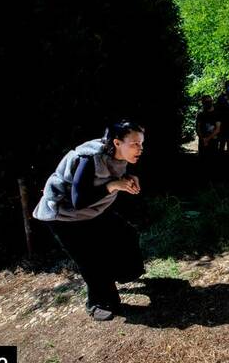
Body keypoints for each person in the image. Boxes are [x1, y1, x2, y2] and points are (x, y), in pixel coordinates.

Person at [32, 121, 146, 321]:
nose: (140, 148)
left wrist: (127, 177)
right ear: (117, 143)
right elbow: (79, 200)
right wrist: (113, 185)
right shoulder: (89, 158)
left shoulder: (118, 153)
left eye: (142, 143)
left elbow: (106, 176)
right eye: (135, 144)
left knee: (126, 234)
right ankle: (97, 303)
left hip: (92, 212)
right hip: (64, 216)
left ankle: (123, 273)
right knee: (91, 260)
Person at [196, 95, 221, 167]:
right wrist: (202, 139)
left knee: (212, 161)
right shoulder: (200, 114)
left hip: (213, 142)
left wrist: (207, 139)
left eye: (210, 101)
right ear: (203, 103)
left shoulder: (217, 114)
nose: (209, 103)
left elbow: (218, 129)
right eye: (206, 102)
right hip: (202, 142)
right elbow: (198, 128)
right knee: (203, 160)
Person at [216, 80, 229, 155]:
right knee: (222, 143)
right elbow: (217, 110)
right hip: (223, 124)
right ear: (226, 87)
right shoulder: (221, 97)